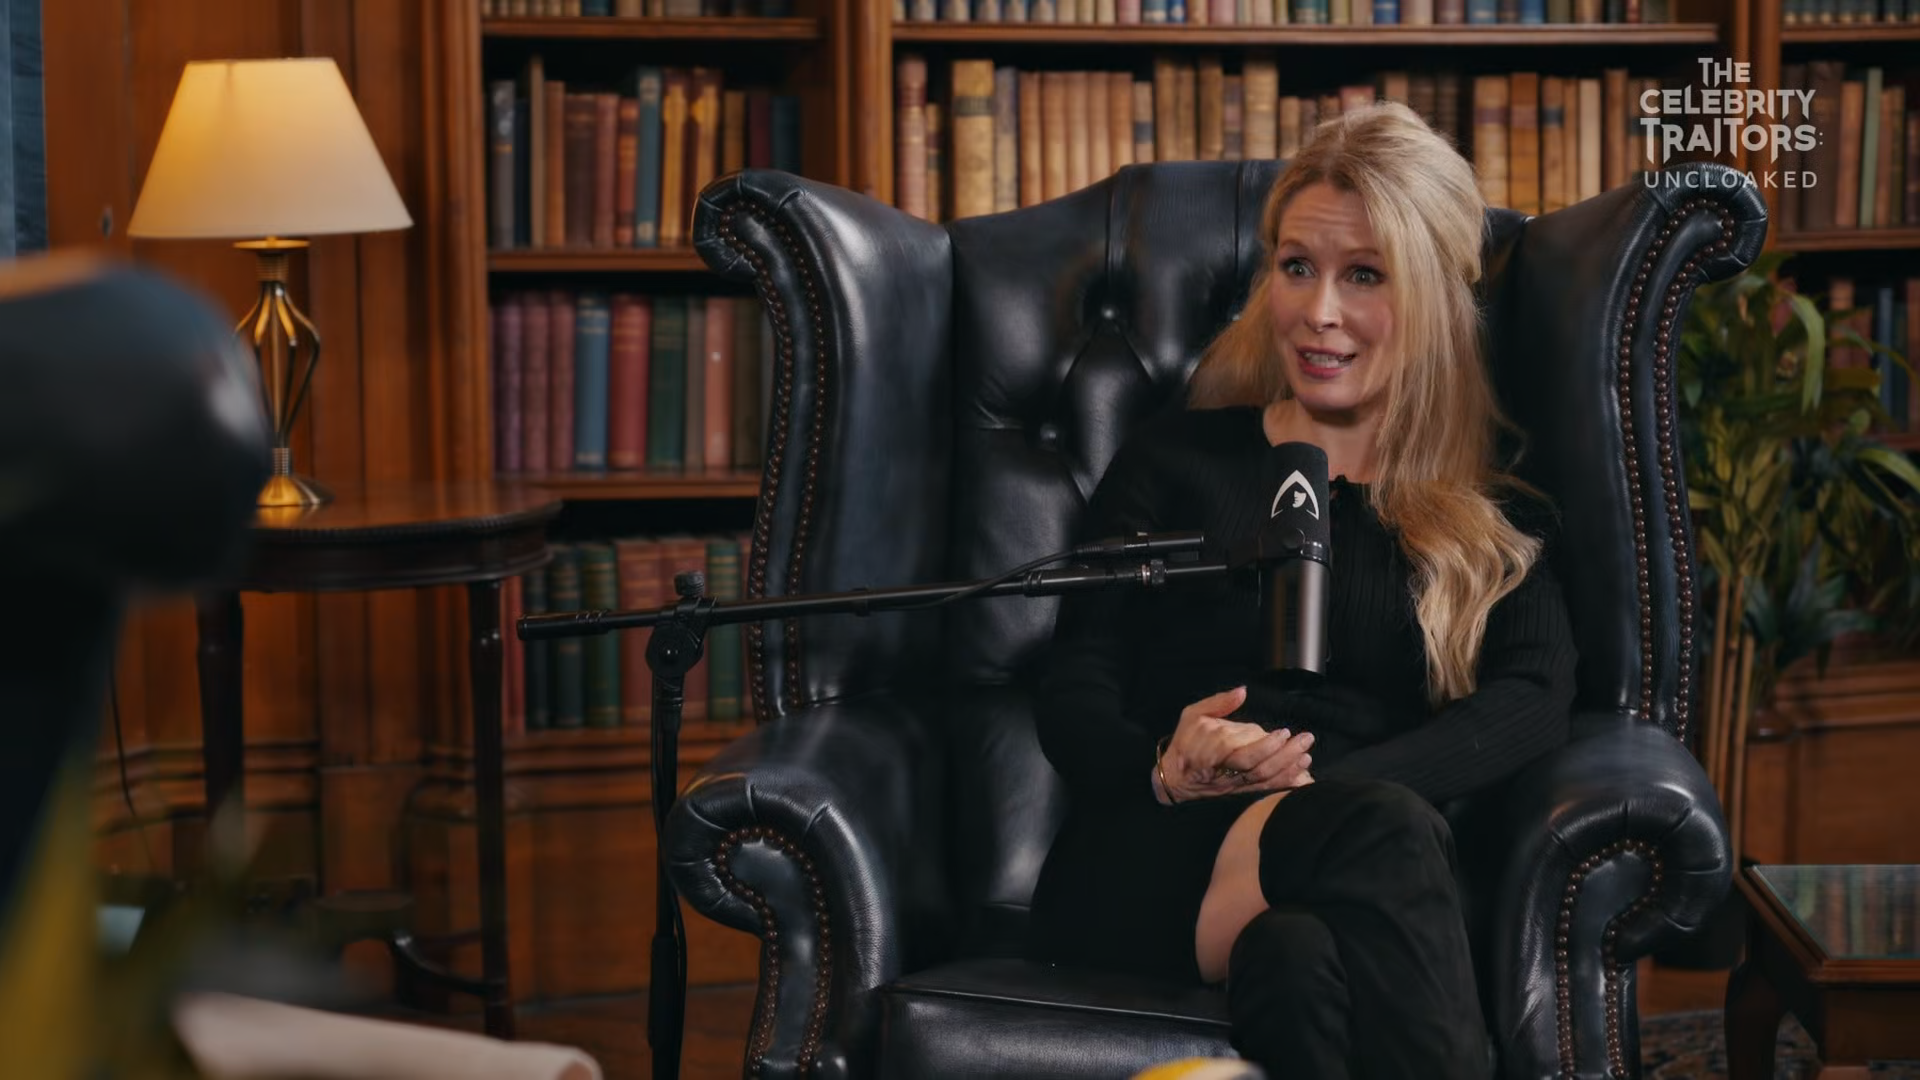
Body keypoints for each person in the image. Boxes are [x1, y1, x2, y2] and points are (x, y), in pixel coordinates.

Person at [1026, 101, 1579, 1079]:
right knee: (1384, 834)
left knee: (1296, 959)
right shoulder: (1176, 460)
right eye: (1295, 266)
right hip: (1153, 859)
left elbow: (1532, 698)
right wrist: (1164, 766)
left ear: (1435, 297)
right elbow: (1076, 673)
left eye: (1364, 274)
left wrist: (1327, 789)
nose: (1318, 312)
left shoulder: (1488, 509)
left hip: (1360, 855)